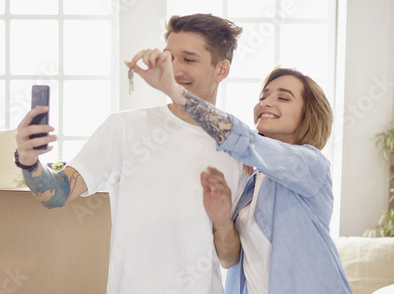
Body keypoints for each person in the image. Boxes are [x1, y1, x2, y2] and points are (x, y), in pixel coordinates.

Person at [15, 14, 249, 294]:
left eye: (189, 59)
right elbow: (57, 194)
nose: (174, 70)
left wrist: (222, 221)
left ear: (222, 70)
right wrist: (29, 162)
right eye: (169, 58)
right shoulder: (124, 128)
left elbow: (229, 258)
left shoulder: (240, 148)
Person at [125, 45, 353, 293]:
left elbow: (241, 139)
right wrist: (222, 219)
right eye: (263, 96)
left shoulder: (310, 165)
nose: (266, 102)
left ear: (308, 114)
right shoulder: (251, 180)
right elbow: (229, 259)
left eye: (283, 97)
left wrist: (174, 90)